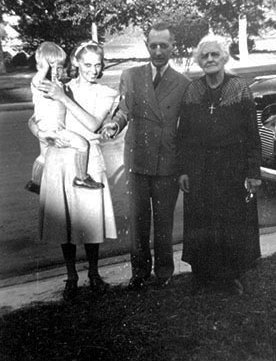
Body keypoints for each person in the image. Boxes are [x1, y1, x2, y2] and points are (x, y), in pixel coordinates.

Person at [102, 21, 190, 290]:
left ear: (172, 46)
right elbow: (124, 110)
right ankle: (139, 273)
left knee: (164, 222)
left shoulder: (184, 83)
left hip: (167, 162)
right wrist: (114, 124)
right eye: (153, 45)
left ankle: (164, 273)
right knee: (138, 221)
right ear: (146, 46)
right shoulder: (131, 76)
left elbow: (186, 130)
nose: (159, 50)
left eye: (164, 45)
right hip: (138, 159)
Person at [29, 41, 118, 301]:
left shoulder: (106, 92)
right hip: (59, 156)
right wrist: (44, 135)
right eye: (87, 64)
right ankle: (71, 277)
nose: (93, 69)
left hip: (88, 160)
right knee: (65, 221)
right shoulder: (60, 84)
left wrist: (62, 98)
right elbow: (34, 118)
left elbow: (92, 125)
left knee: (91, 221)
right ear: (76, 63)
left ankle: (93, 273)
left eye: (97, 65)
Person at [177, 34, 262, 294]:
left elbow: (251, 132)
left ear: (224, 57)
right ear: (199, 61)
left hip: (232, 168)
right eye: (205, 56)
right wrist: (183, 170)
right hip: (200, 168)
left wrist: (253, 171)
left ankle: (232, 277)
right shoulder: (193, 90)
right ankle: (204, 276)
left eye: (215, 54)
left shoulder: (239, 88)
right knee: (202, 222)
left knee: (232, 222)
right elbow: (184, 135)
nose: (210, 59)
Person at [25, 41, 104, 195]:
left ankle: (35, 183)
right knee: (82, 144)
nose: (60, 71)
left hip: (48, 129)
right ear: (45, 66)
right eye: (57, 67)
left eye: (61, 67)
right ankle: (81, 177)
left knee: (43, 155)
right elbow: (37, 82)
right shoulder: (42, 84)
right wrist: (45, 67)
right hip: (54, 129)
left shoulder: (59, 86)